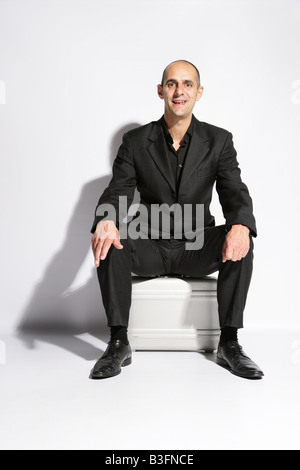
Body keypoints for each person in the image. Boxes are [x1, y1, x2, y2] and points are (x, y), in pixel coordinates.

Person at [90, 60, 264, 380]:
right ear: (161, 91)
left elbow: (234, 191)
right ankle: (118, 342)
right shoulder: (136, 141)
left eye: (187, 84)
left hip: (196, 244)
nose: (179, 91)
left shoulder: (219, 140)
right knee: (110, 239)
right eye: (171, 84)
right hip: (150, 244)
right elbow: (118, 190)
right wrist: (106, 219)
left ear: (199, 92)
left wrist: (240, 224)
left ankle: (229, 343)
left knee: (242, 236)